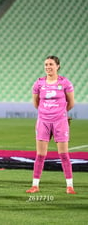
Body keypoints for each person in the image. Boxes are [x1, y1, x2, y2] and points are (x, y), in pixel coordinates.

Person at [26, 56, 76, 194]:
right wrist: (45, 113)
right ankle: (35, 185)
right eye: (46, 64)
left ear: (57, 66)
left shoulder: (65, 83)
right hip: (43, 121)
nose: (48, 67)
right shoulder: (39, 83)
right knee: (40, 155)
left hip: (60, 121)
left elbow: (71, 102)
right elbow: (36, 103)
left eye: (51, 64)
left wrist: (60, 113)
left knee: (64, 154)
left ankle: (69, 186)